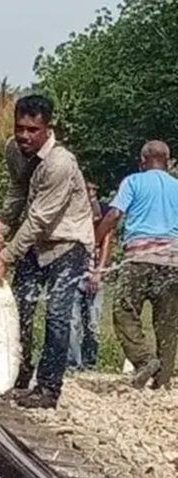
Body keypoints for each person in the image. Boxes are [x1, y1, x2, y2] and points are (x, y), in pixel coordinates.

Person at [0, 94, 94, 409]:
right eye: (20, 128)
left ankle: (48, 388)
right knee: (18, 309)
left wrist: (6, 257)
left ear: (48, 129)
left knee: (57, 316)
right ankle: (17, 375)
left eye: (33, 130)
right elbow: (17, 190)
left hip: (67, 242)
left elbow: (39, 218)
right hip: (35, 243)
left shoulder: (61, 163)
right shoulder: (14, 150)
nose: (24, 136)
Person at [94, 140, 178, 390]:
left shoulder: (133, 182)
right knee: (168, 323)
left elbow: (114, 214)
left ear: (142, 160)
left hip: (138, 260)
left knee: (123, 310)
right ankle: (161, 382)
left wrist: (95, 241)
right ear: (168, 161)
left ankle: (144, 361)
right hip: (173, 262)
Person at [67, 181, 108, 370]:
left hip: (94, 274)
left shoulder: (103, 216)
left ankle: (90, 362)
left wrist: (99, 271)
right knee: (73, 321)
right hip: (75, 275)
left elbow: (107, 244)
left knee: (93, 321)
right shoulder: (74, 214)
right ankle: (73, 363)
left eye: (93, 191)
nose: (90, 194)